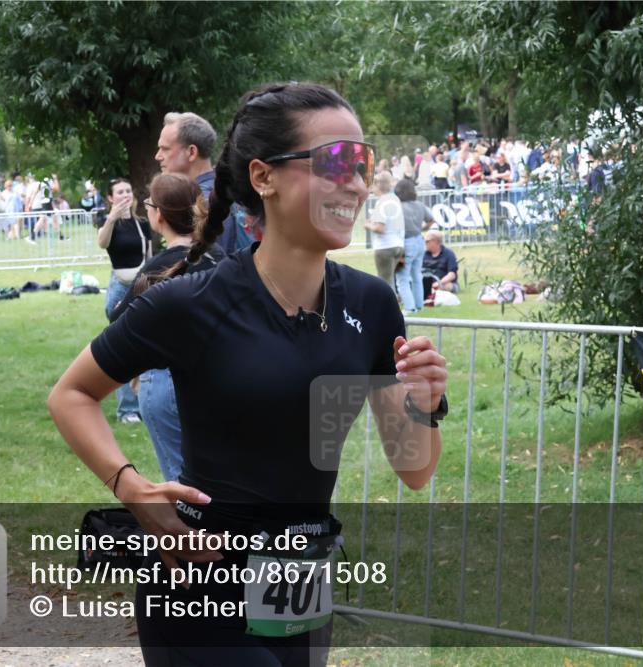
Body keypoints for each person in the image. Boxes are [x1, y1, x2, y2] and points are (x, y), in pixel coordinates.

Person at [49, 81, 447, 666]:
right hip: (197, 581)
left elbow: (414, 469)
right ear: (264, 177)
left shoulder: (371, 304)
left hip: (300, 585)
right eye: (335, 162)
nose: (356, 182)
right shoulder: (191, 302)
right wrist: (131, 487)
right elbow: (71, 394)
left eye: (362, 163)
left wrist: (423, 402)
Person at [109, 173, 225, 482]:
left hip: (166, 383)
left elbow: (118, 322)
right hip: (221, 380)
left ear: (158, 215)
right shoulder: (221, 259)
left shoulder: (157, 268)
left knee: (182, 486)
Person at [157, 112, 255, 254]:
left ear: (191, 152)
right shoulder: (231, 188)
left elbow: (214, 266)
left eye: (165, 149)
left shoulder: (200, 202)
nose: (158, 156)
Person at [96, 178, 150, 424]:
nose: (126, 194)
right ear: (110, 198)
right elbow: (102, 243)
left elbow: (149, 256)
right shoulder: (107, 222)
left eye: (128, 190)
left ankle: (143, 401)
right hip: (119, 287)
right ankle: (127, 409)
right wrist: (112, 218)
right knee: (122, 345)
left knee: (146, 342)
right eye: (120, 192)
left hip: (141, 284)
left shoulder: (142, 224)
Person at [394, 178, 434, 314]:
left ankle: (410, 308)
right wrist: (421, 229)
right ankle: (419, 305)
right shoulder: (420, 205)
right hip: (419, 240)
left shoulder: (398, 206)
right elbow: (432, 220)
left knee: (402, 278)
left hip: (406, 242)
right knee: (417, 276)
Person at [363, 171, 404, 292]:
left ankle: (388, 309)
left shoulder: (381, 202)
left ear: (377, 185)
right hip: (398, 245)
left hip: (385, 246)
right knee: (390, 280)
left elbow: (380, 228)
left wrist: (368, 226)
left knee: (385, 283)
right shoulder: (395, 199)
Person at [423, 229, 459, 297]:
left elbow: (452, 274)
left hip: (444, 283)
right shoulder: (423, 255)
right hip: (427, 283)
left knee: (446, 286)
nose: (425, 243)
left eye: (427, 241)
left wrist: (438, 283)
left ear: (436, 241)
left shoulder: (449, 254)